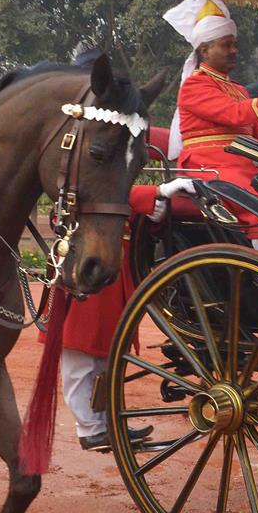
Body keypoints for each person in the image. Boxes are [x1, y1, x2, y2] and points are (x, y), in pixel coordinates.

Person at [55, 177, 196, 450]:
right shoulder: (81, 165)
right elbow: (98, 190)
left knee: (109, 357)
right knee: (81, 356)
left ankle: (105, 422)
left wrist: (154, 212)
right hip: (87, 266)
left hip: (116, 270)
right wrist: (154, 192)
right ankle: (89, 427)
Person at [165, 0, 258, 244]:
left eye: (234, 43)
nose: (234, 50)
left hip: (240, 164)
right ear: (205, 49)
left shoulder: (238, 88)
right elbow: (234, 114)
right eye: (226, 45)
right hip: (208, 165)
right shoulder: (194, 86)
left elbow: (255, 127)